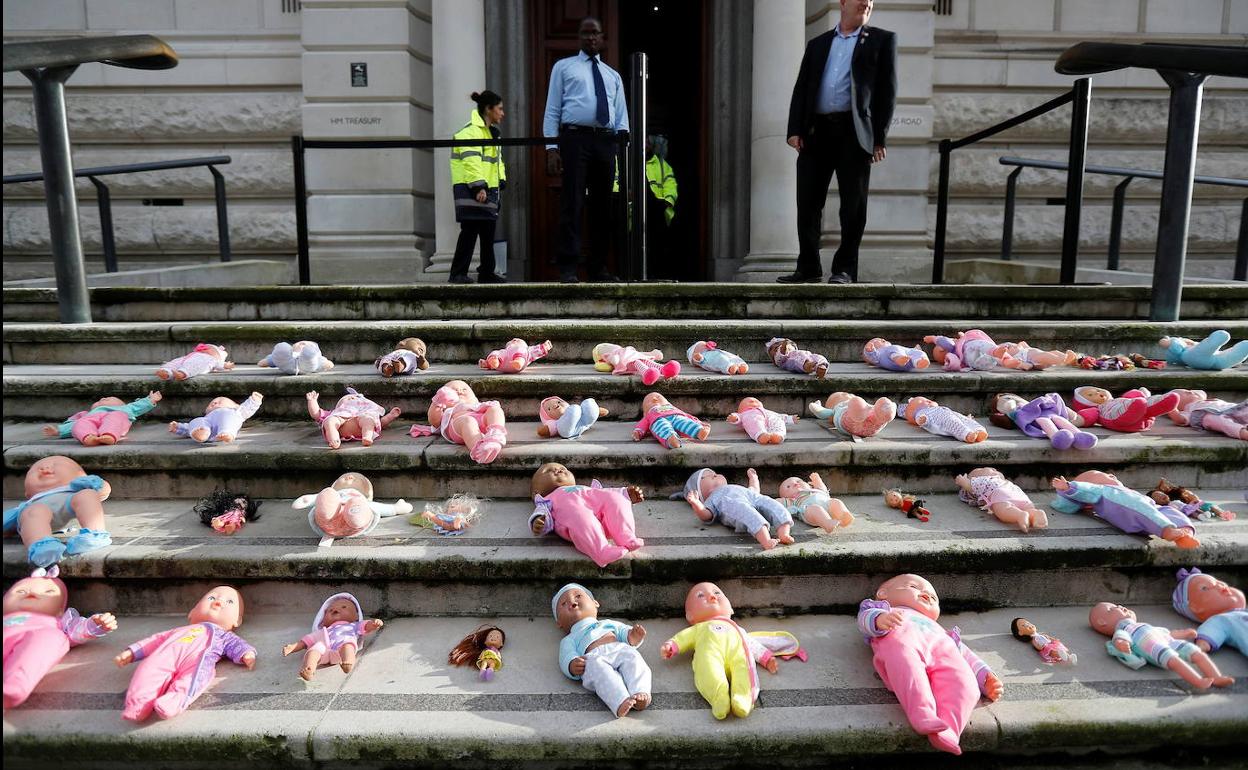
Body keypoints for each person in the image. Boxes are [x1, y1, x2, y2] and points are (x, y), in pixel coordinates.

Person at [780, 0, 897, 284]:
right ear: (843, 2)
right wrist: (794, 128)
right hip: (816, 132)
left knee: (853, 207)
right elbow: (802, 87)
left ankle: (844, 269)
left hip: (853, 133)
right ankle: (808, 267)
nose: (866, 3)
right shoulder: (818, 44)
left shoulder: (881, 40)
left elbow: (886, 92)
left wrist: (878, 138)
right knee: (807, 202)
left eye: (870, 0)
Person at [543, 16, 629, 284]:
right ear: (579, 37)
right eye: (585, 33)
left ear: (602, 37)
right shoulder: (564, 67)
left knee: (603, 207)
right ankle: (568, 266)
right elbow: (553, 108)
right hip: (575, 139)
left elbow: (621, 113)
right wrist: (551, 147)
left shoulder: (612, 75)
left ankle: (598, 268)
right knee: (572, 202)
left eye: (595, 33)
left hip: (605, 141)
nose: (591, 38)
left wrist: (621, 141)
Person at [448, 90, 508, 284]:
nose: (502, 113)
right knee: (470, 231)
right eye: (499, 109)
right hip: (474, 190)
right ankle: (457, 273)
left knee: (488, 232)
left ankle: (486, 273)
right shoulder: (469, 132)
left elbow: (497, 161)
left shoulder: (492, 134)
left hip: (488, 190)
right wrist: (478, 188)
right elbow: (471, 162)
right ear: (488, 109)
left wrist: (501, 180)